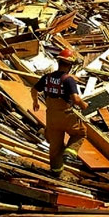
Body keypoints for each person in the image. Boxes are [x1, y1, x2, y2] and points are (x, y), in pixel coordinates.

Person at [31, 49, 88, 177]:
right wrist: (84, 105)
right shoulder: (68, 80)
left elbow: (34, 89)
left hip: (51, 117)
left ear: (58, 62)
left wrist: (35, 102)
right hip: (66, 115)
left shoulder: (47, 78)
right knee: (81, 133)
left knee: (55, 147)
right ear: (70, 65)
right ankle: (70, 152)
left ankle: (56, 172)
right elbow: (76, 99)